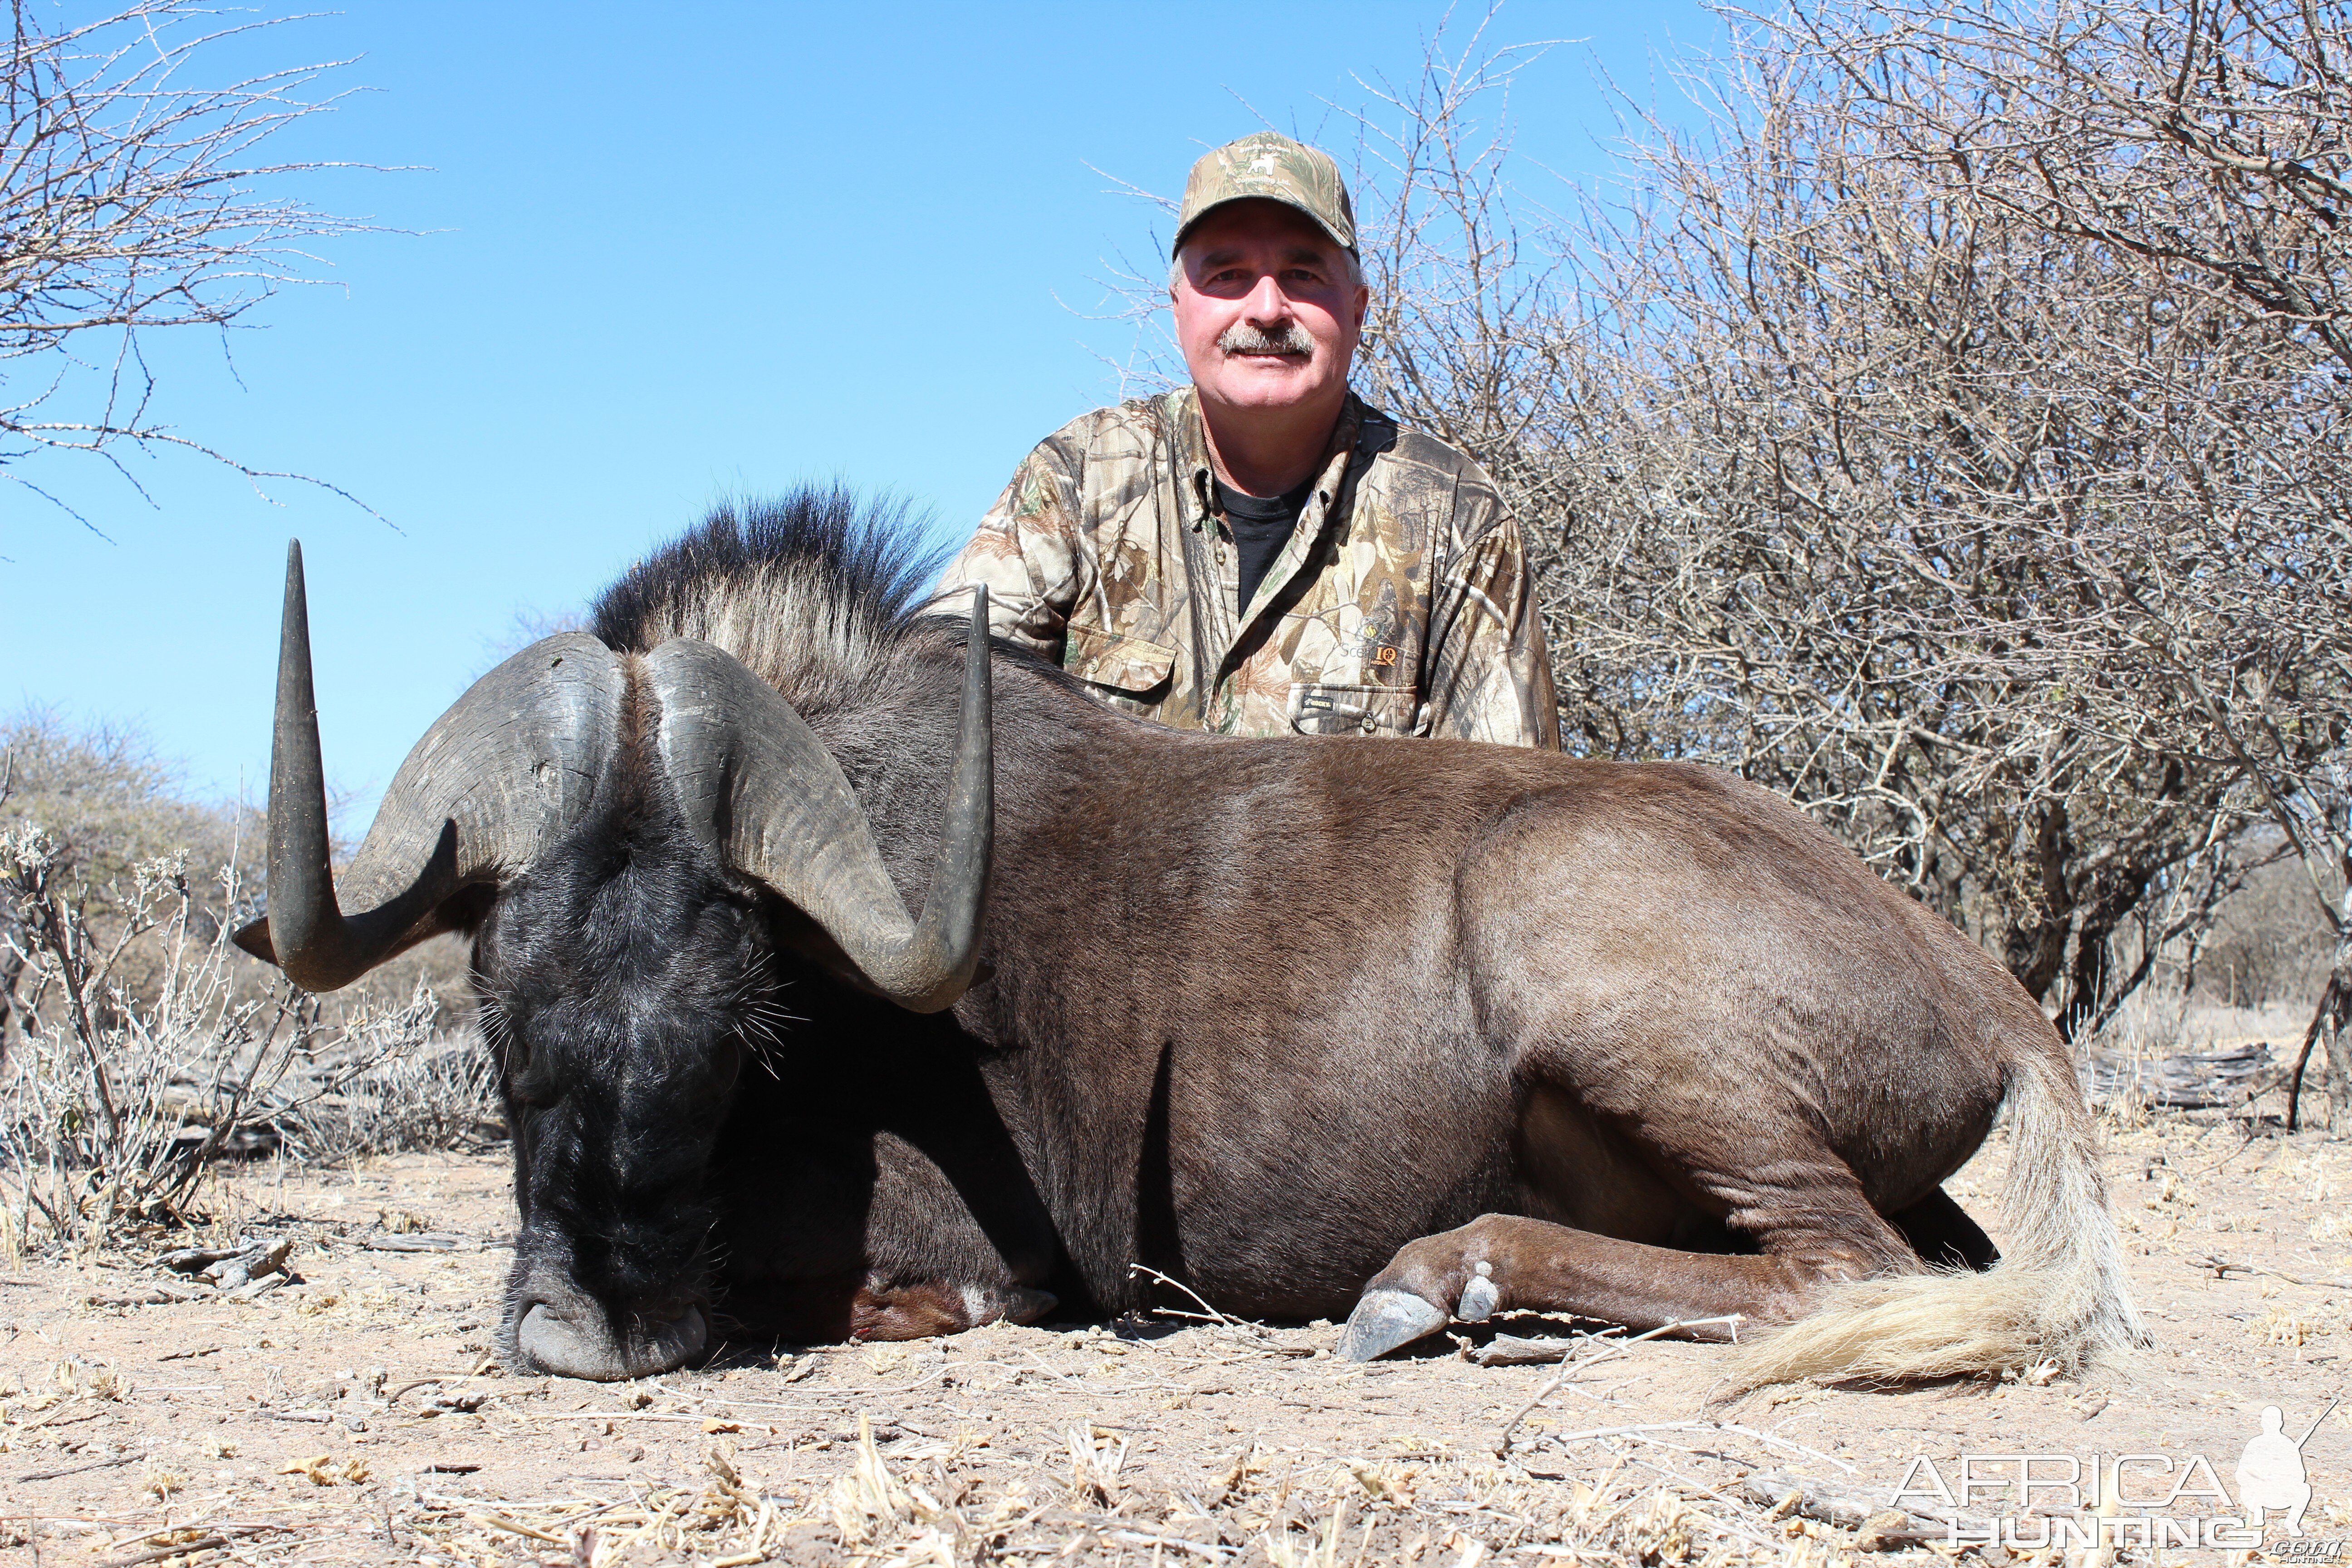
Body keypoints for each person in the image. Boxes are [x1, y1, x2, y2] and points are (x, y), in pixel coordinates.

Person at [937, 131, 1559, 747]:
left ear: (1359, 309)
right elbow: (929, 711)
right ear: (1178, 307)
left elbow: (1515, 816)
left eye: (1303, 274)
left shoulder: (1457, 516)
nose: (1266, 309)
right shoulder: (1076, 481)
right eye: (1229, 275)